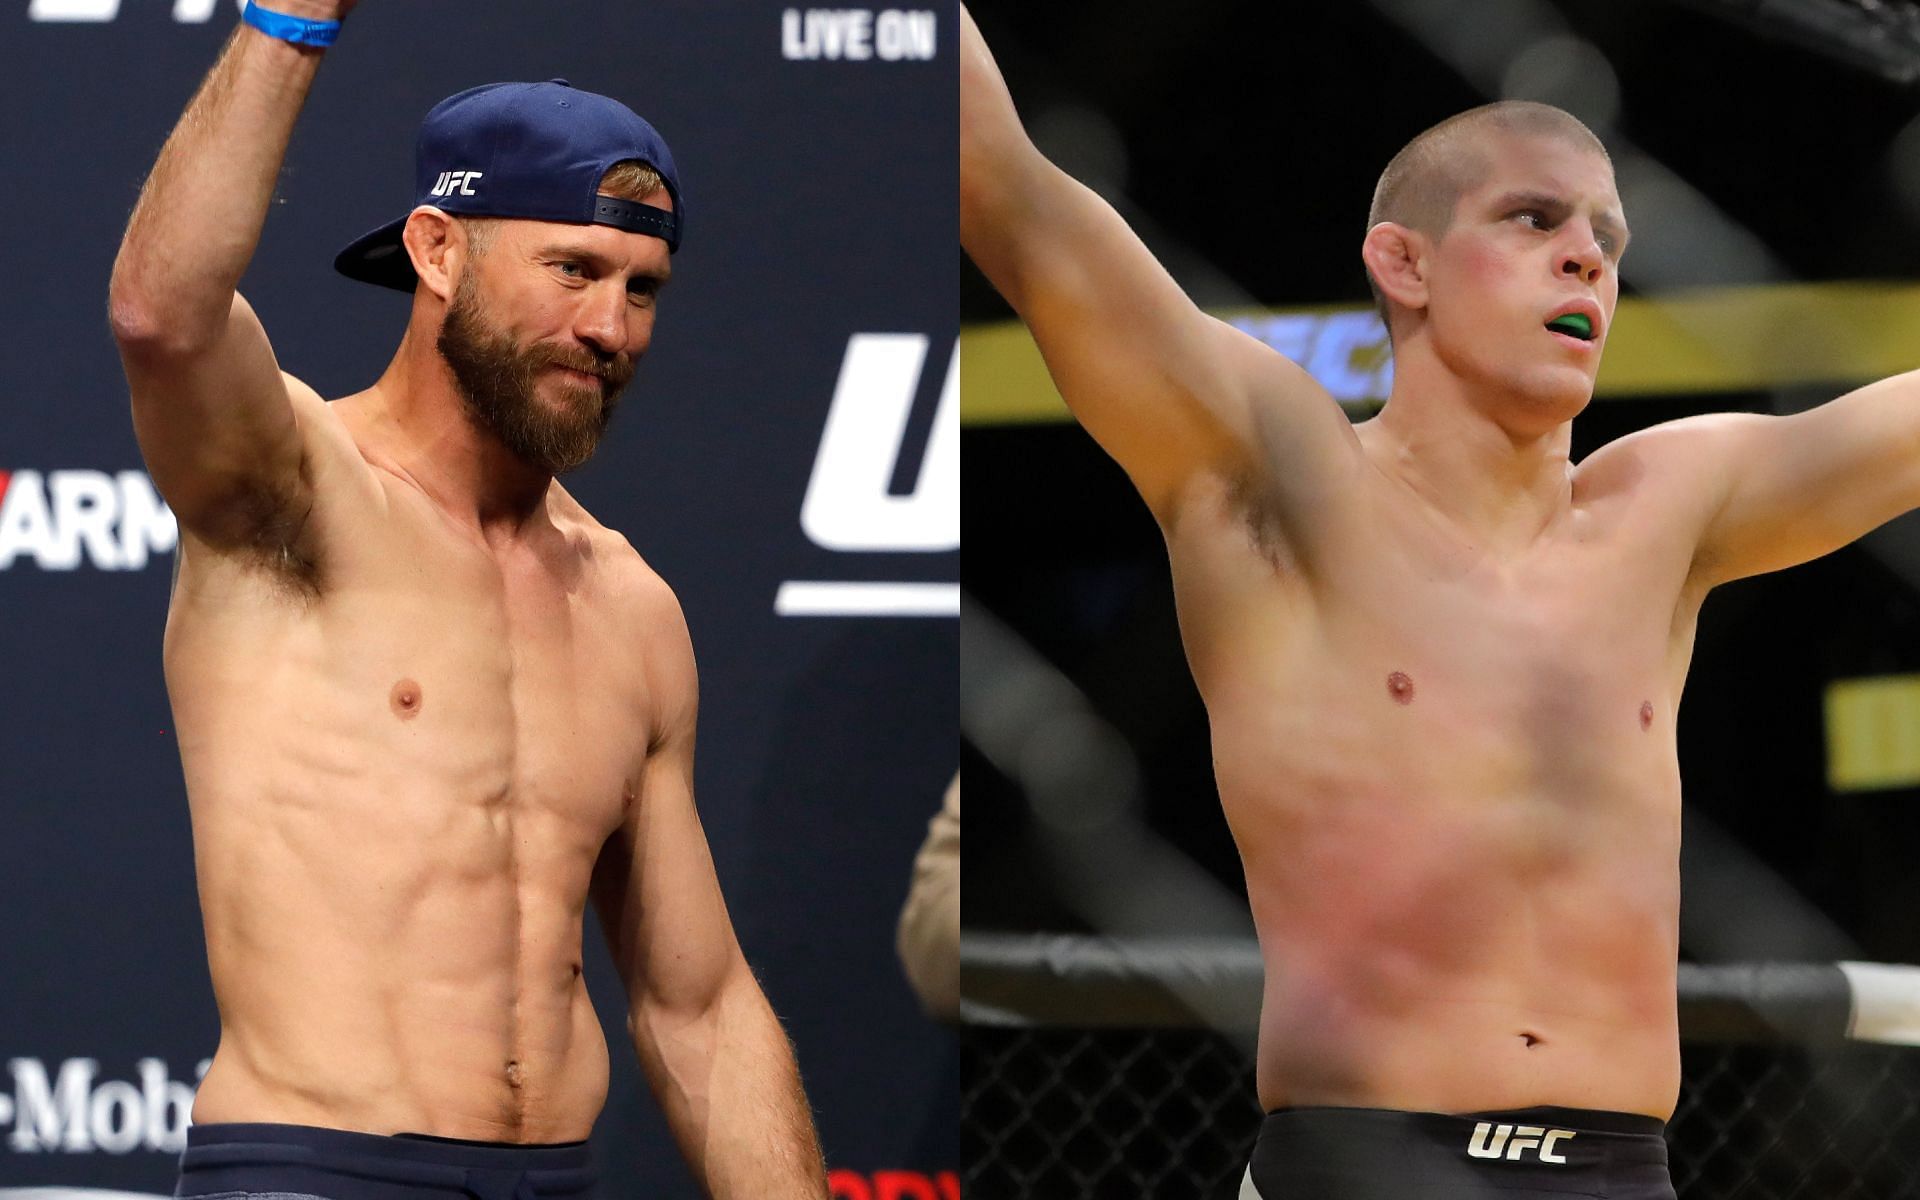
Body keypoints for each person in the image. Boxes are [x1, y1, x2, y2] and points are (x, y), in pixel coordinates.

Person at [962, 8, 1920, 1198]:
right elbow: (1010, 189)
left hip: (1621, 1173)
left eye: (1610, 240)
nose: (1588, 259)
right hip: (1364, 1165)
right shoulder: (1277, 477)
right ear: (1402, 261)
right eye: (1534, 219)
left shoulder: (1668, 509)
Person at [109, 3, 829, 1198]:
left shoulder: (631, 606)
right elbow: (164, 318)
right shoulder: (296, 498)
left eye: (643, 289)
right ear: (439, 252)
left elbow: (694, 1003)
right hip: (312, 1171)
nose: (610, 328)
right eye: (574, 270)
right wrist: (293, 19)